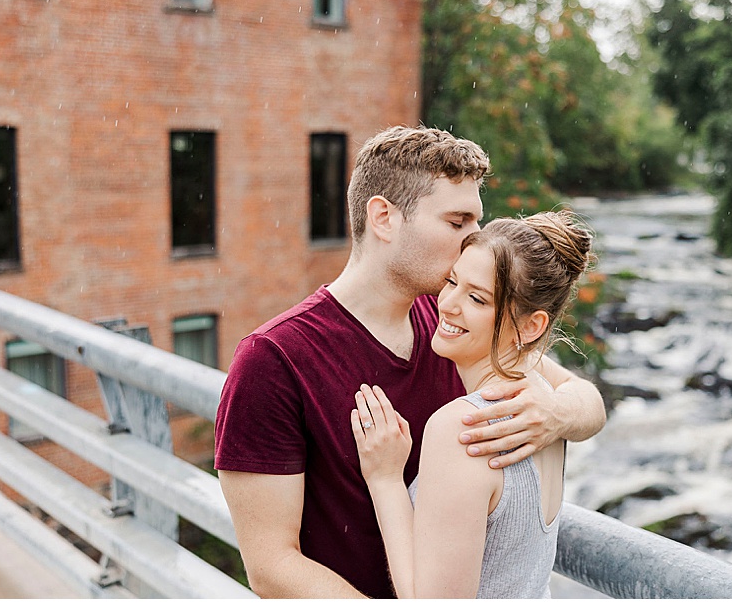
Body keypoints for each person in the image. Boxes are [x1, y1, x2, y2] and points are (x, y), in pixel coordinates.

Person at [216, 128, 606, 599]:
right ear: (383, 217)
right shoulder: (272, 360)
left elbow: (584, 399)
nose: (473, 239)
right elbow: (272, 566)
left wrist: (555, 415)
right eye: (457, 221)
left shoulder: (451, 326)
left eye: (476, 223)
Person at [352, 212, 595, 599]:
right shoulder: (542, 401)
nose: (446, 303)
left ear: (531, 326)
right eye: (452, 281)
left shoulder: (464, 426)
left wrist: (384, 479)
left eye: (476, 298)